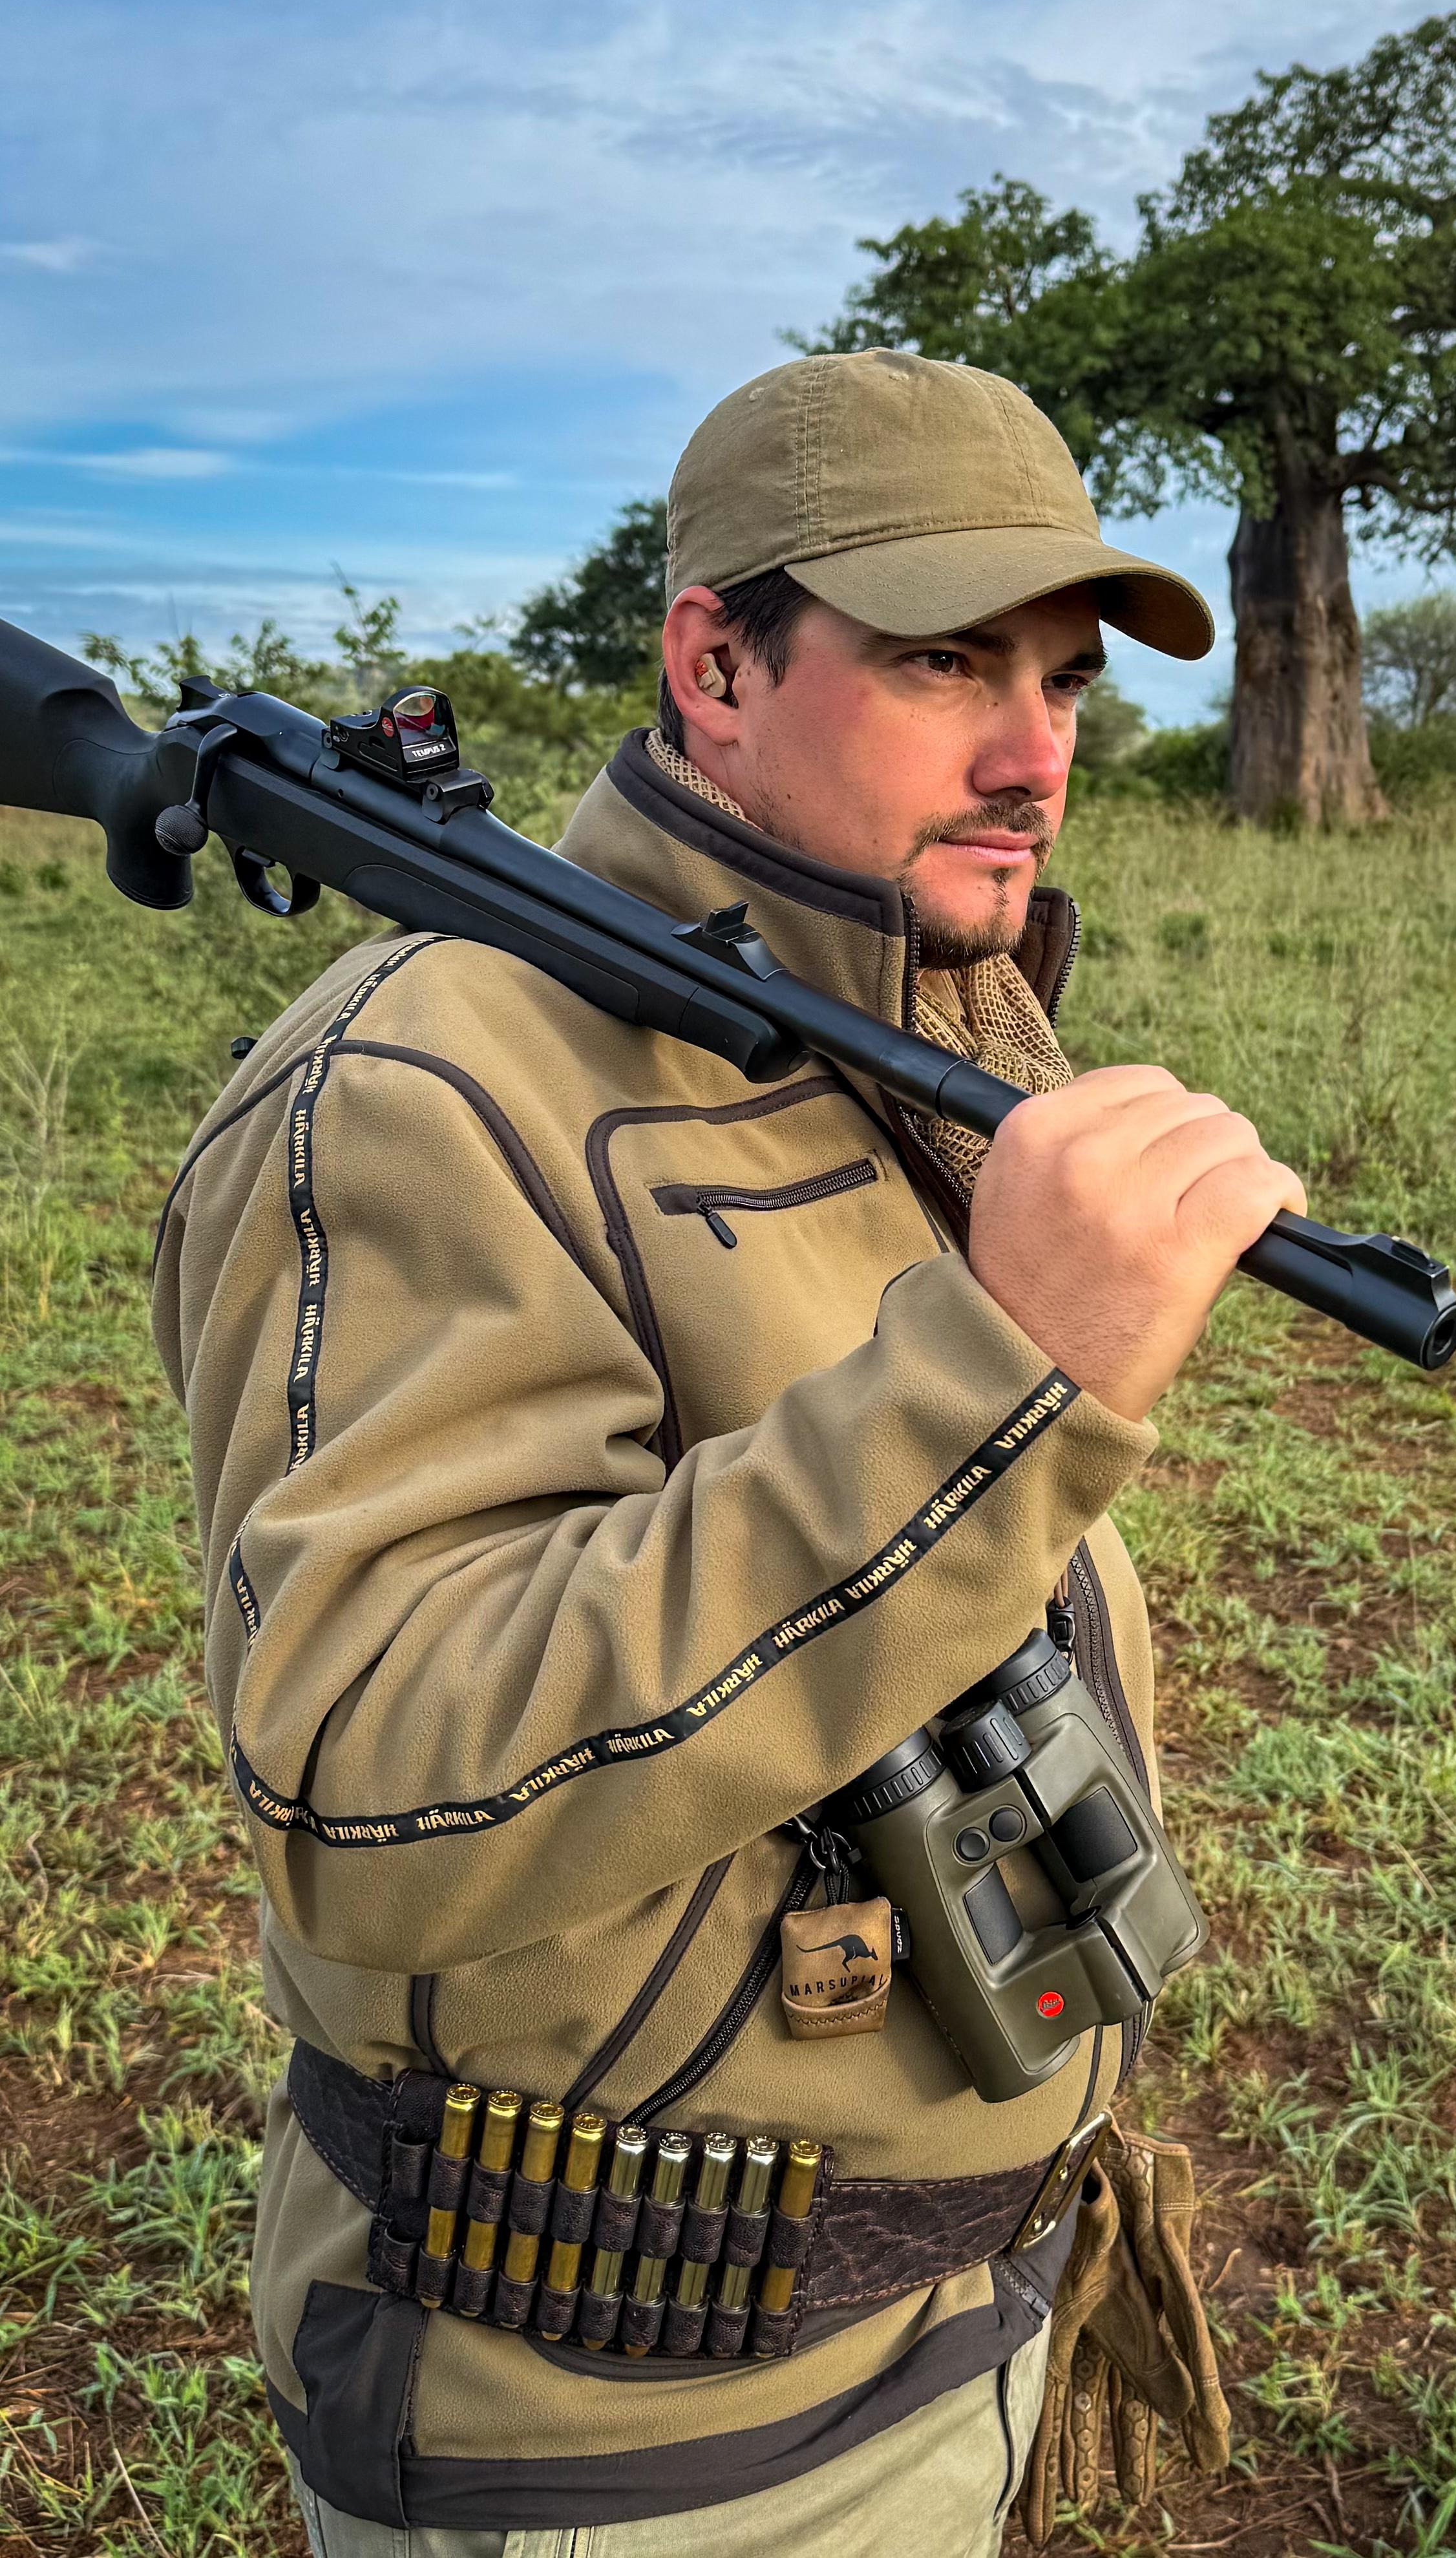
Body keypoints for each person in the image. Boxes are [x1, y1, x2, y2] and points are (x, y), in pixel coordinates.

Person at [152, 348, 1303, 2557]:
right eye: (944, 658)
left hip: (936, 2322)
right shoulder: (422, 1081)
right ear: (712, 660)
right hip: (629, 2445)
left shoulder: (888, 1035)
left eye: (1061, 676)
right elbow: (375, 1778)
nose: (1030, 749)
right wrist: (1001, 1377)